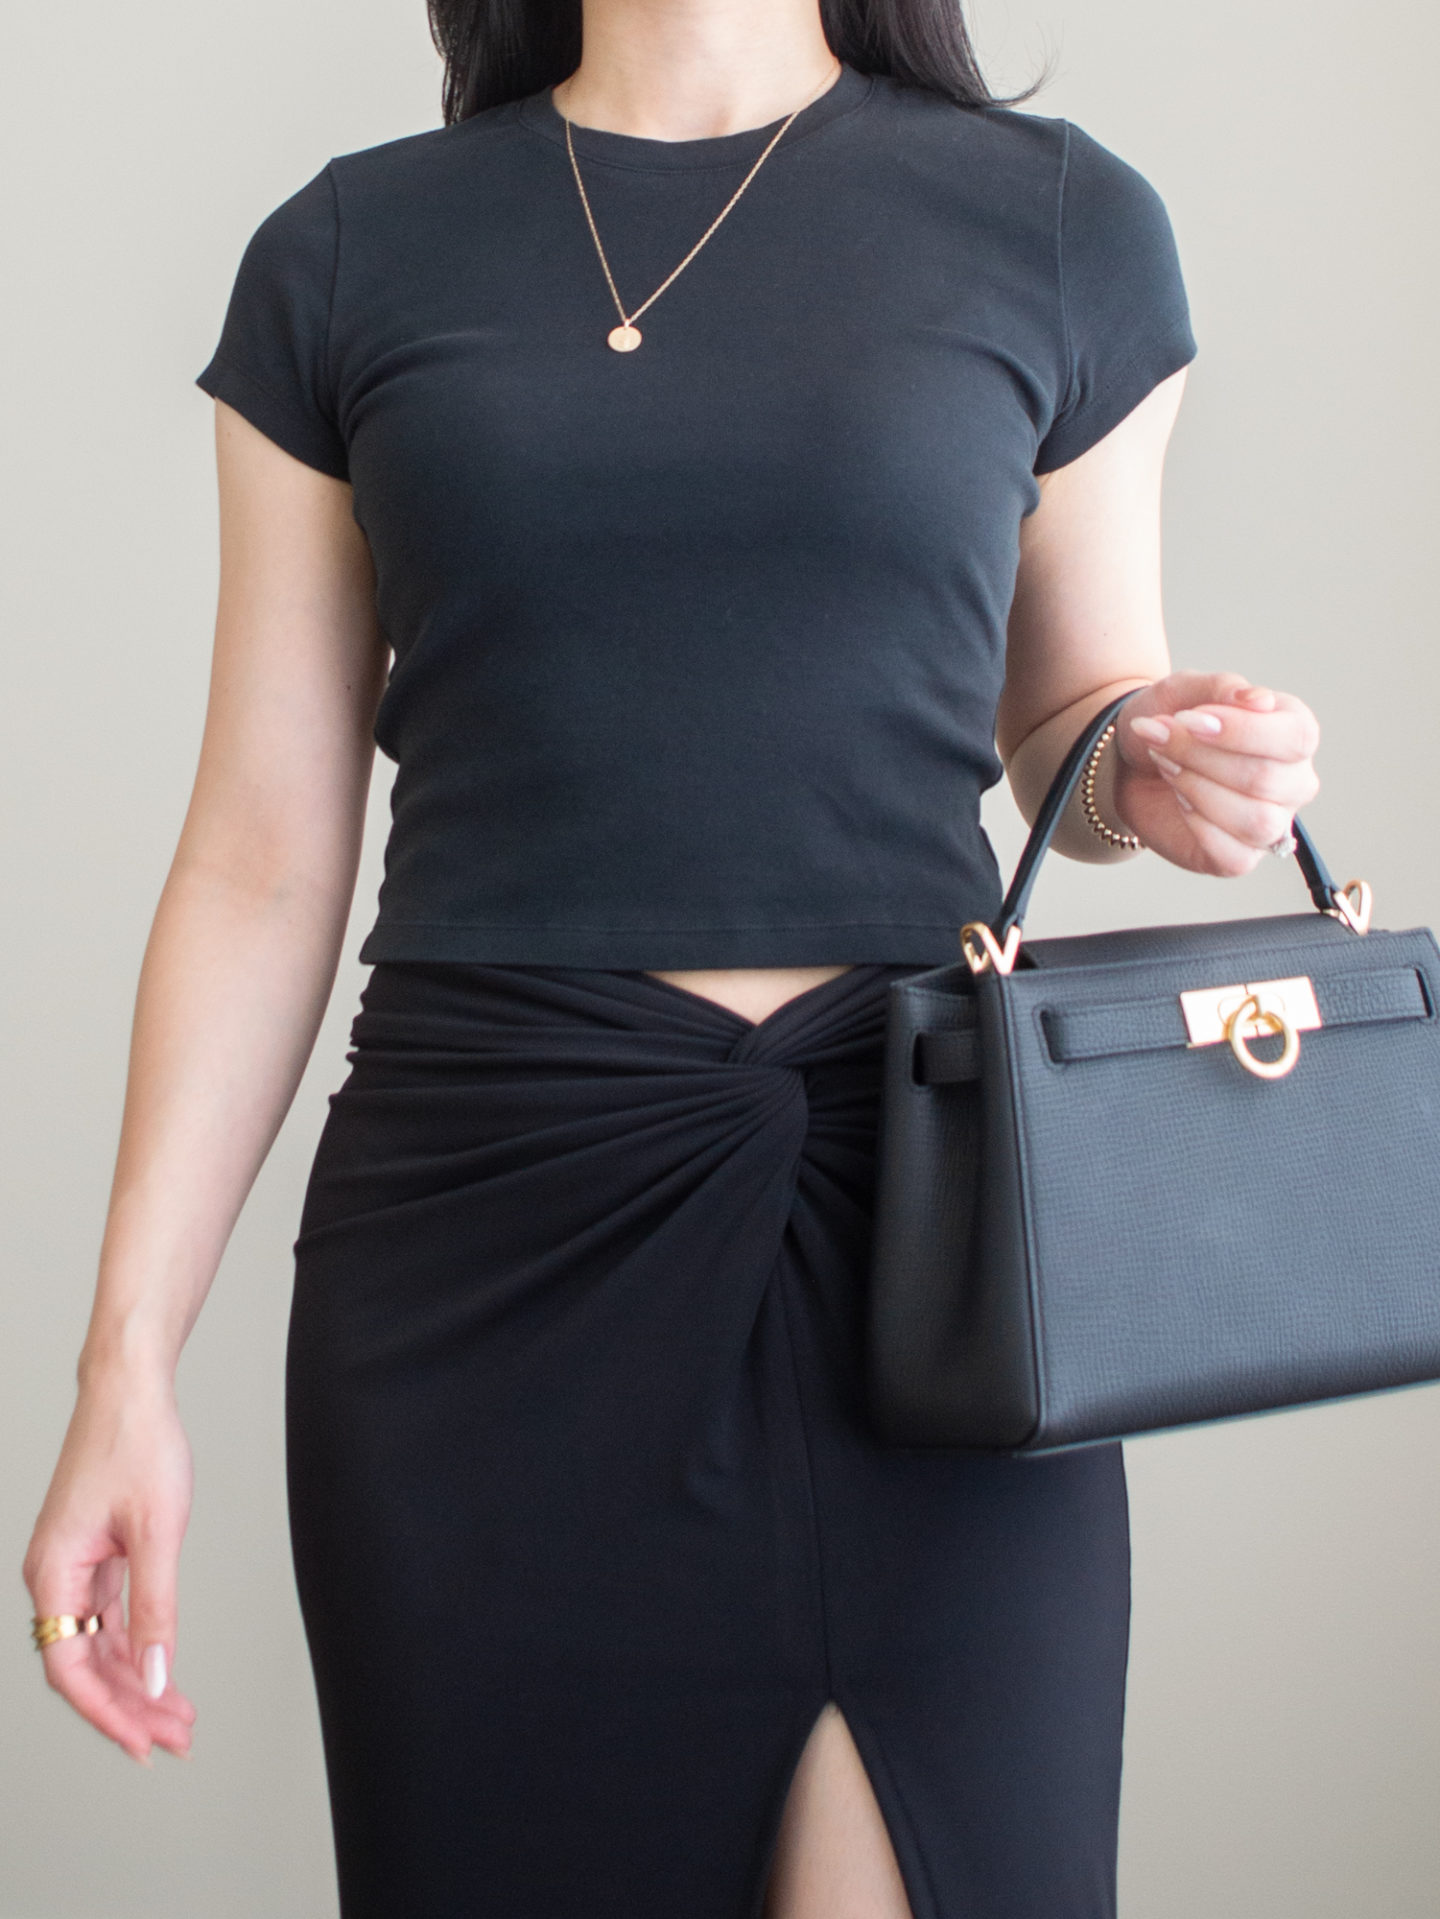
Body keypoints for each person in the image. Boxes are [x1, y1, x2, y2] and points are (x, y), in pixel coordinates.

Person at [23, 2, 1321, 1914]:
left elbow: (1069, 715)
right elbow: (262, 851)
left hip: (932, 1244)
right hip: (487, 1251)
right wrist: (123, 1364)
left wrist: (1150, 770)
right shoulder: (349, 250)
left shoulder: (1057, 220)